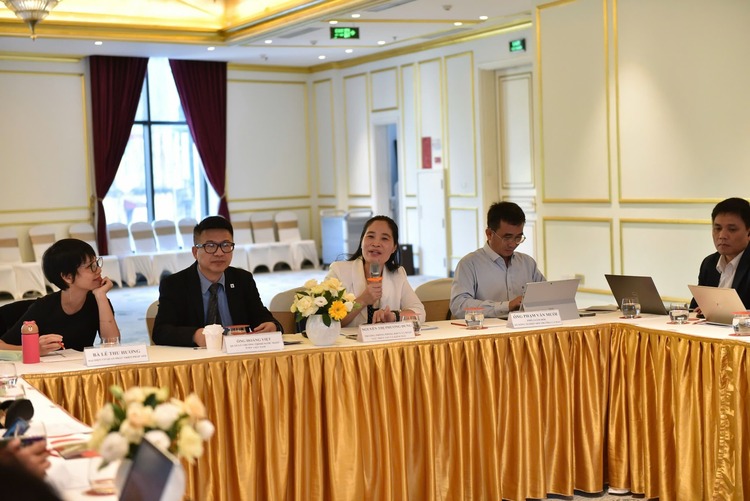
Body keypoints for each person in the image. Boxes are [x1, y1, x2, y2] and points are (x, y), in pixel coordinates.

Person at [153, 216, 282, 347]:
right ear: (195, 252)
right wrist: (195, 335)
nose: (219, 253)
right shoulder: (174, 284)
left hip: (237, 354)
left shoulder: (243, 280)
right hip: (196, 357)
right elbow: (160, 332)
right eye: (210, 246)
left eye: (225, 245)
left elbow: (262, 317)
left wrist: (272, 326)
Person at [0, 239, 120, 353]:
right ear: (68, 277)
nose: (98, 270)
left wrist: (101, 296)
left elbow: (112, 344)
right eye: (91, 266)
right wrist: (33, 349)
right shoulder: (43, 307)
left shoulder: (99, 301)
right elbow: (2, 346)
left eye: (96, 263)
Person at [450, 201, 545, 319]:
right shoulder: (469, 264)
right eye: (507, 237)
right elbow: (458, 306)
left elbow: (546, 295)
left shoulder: (527, 263)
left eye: (518, 237)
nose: (513, 244)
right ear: (489, 234)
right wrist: (506, 306)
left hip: (526, 327)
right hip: (488, 329)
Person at [326, 215, 424, 327]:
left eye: (384, 238)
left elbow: (420, 312)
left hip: (385, 338)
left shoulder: (398, 274)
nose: (376, 244)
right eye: (370, 236)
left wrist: (394, 316)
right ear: (362, 242)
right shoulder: (338, 271)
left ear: (394, 248)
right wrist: (362, 300)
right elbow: (326, 321)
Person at [691, 197, 750, 309]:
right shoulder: (709, 263)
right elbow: (694, 308)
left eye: (732, 229)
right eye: (717, 229)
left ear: (748, 233)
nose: (722, 236)